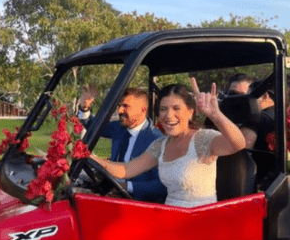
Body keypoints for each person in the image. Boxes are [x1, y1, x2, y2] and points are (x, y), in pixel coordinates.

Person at [91, 79, 246, 208]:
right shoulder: (161, 145)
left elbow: (237, 144)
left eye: (176, 108)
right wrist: (90, 157)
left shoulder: (203, 139)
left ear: (190, 111)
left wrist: (215, 115)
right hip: (170, 217)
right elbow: (126, 170)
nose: (169, 115)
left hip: (200, 221)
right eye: (164, 109)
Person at [78, 85, 167, 203]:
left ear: (143, 109)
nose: (119, 111)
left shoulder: (155, 140)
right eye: (119, 106)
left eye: (125, 106)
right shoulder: (119, 128)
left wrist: (126, 186)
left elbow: (160, 186)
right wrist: (85, 107)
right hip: (112, 194)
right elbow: (93, 126)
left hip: (136, 203)